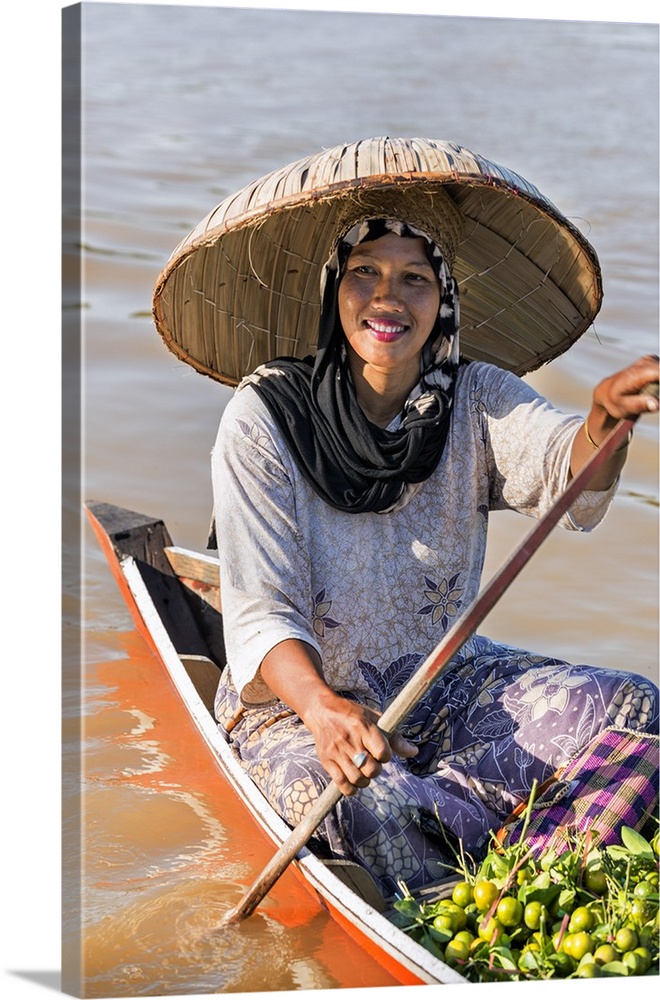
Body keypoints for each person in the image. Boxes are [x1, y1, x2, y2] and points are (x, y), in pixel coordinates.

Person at [155, 138, 660, 901]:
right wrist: (326, 711)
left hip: (443, 681)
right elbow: (258, 612)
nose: (388, 298)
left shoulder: (477, 397)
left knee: (635, 708)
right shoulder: (264, 417)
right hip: (298, 712)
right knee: (372, 802)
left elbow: (571, 485)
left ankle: (538, 886)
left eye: (415, 279)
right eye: (366, 274)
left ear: (443, 299)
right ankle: (457, 854)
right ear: (335, 290)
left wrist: (601, 420)